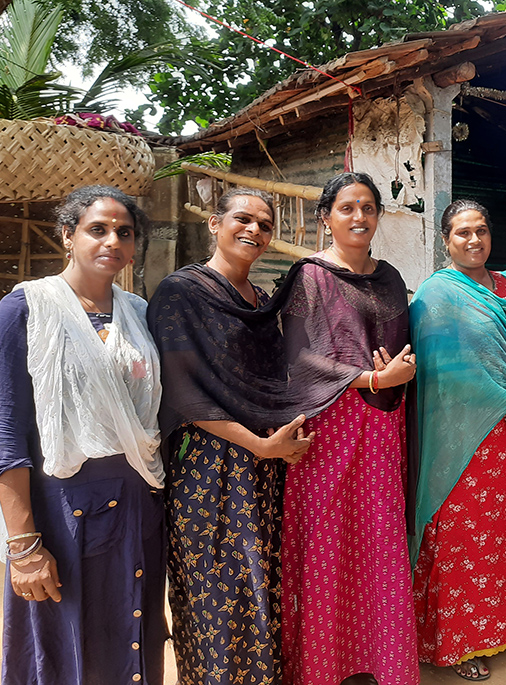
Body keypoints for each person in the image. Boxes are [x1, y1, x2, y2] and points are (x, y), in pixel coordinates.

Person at [147, 187, 314, 685]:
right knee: (214, 588)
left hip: (265, 465)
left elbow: (282, 375)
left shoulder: (261, 301)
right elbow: (182, 389)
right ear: (214, 224)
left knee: (261, 585)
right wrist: (259, 443)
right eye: (243, 219)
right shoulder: (182, 292)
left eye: (265, 225)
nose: (254, 231)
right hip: (208, 464)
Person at [0, 186, 166, 684]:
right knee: (64, 647)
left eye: (124, 232)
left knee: (130, 643)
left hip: (138, 506)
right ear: (68, 235)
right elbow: (6, 430)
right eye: (98, 229)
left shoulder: (139, 313)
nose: (112, 240)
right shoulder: (25, 309)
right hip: (64, 511)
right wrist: (25, 546)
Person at [279, 172, 419, 685]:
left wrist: (390, 381)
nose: (359, 217)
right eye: (347, 208)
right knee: (328, 542)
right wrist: (371, 376)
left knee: (379, 541)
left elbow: (404, 348)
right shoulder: (310, 276)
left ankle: (382, 660)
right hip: (330, 428)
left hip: (383, 427)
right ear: (326, 217)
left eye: (368, 208)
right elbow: (297, 357)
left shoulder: (390, 277)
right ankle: (325, 664)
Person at [410, 199, 506, 681]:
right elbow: (444, 369)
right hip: (464, 437)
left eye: (481, 231)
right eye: (462, 233)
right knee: (462, 539)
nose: (474, 240)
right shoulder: (437, 294)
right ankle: (458, 644)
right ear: (445, 241)